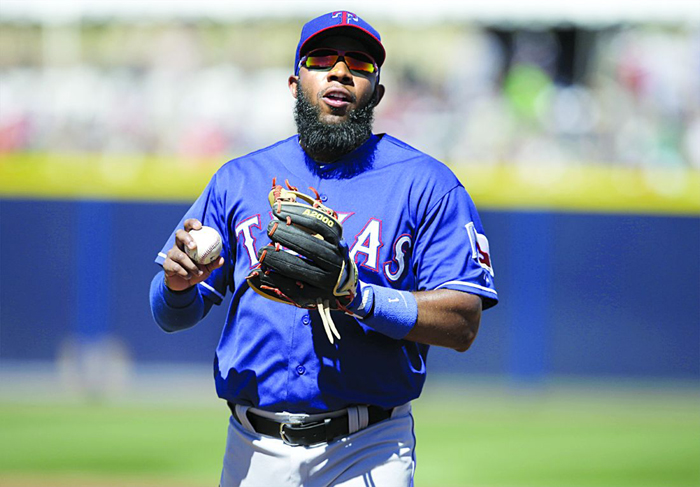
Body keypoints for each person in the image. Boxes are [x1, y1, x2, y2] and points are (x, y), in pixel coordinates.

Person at [150, 10, 498, 487]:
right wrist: (175, 287)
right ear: (295, 83)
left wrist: (358, 295)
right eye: (321, 58)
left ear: (376, 91)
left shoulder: (427, 185)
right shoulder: (237, 180)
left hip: (368, 447)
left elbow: (463, 322)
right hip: (251, 448)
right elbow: (170, 314)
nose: (340, 71)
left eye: (359, 63)